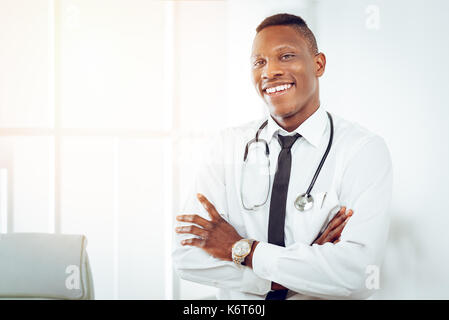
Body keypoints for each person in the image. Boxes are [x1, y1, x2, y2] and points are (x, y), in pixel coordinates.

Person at [172, 13, 392, 300]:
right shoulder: (228, 145)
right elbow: (187, 258)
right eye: (259, 62)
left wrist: (242, 249)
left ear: (318, 64)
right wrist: (298, 271)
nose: (270, 71)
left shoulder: (362, 150)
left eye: (286, 56)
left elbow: (358, 273)